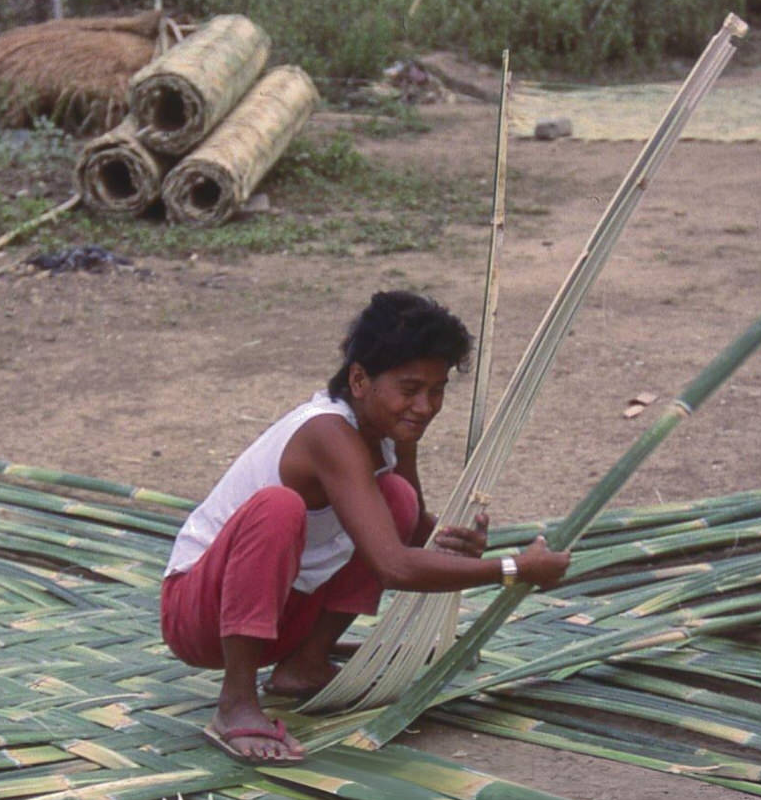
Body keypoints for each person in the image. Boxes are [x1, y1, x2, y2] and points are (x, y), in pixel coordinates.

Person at [161, 289, 570, 762]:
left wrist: (455, 548)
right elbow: (394, 566)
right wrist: (513, 568)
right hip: (199, 615)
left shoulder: (390, 433)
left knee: (397, 498)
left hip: (280, 616)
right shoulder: (327, 433)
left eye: (436, 391)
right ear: (359, 380)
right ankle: (236, 703)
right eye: (410, 389)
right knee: (278, 508)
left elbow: (410, 533)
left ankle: (305, 664)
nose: (425, 406)